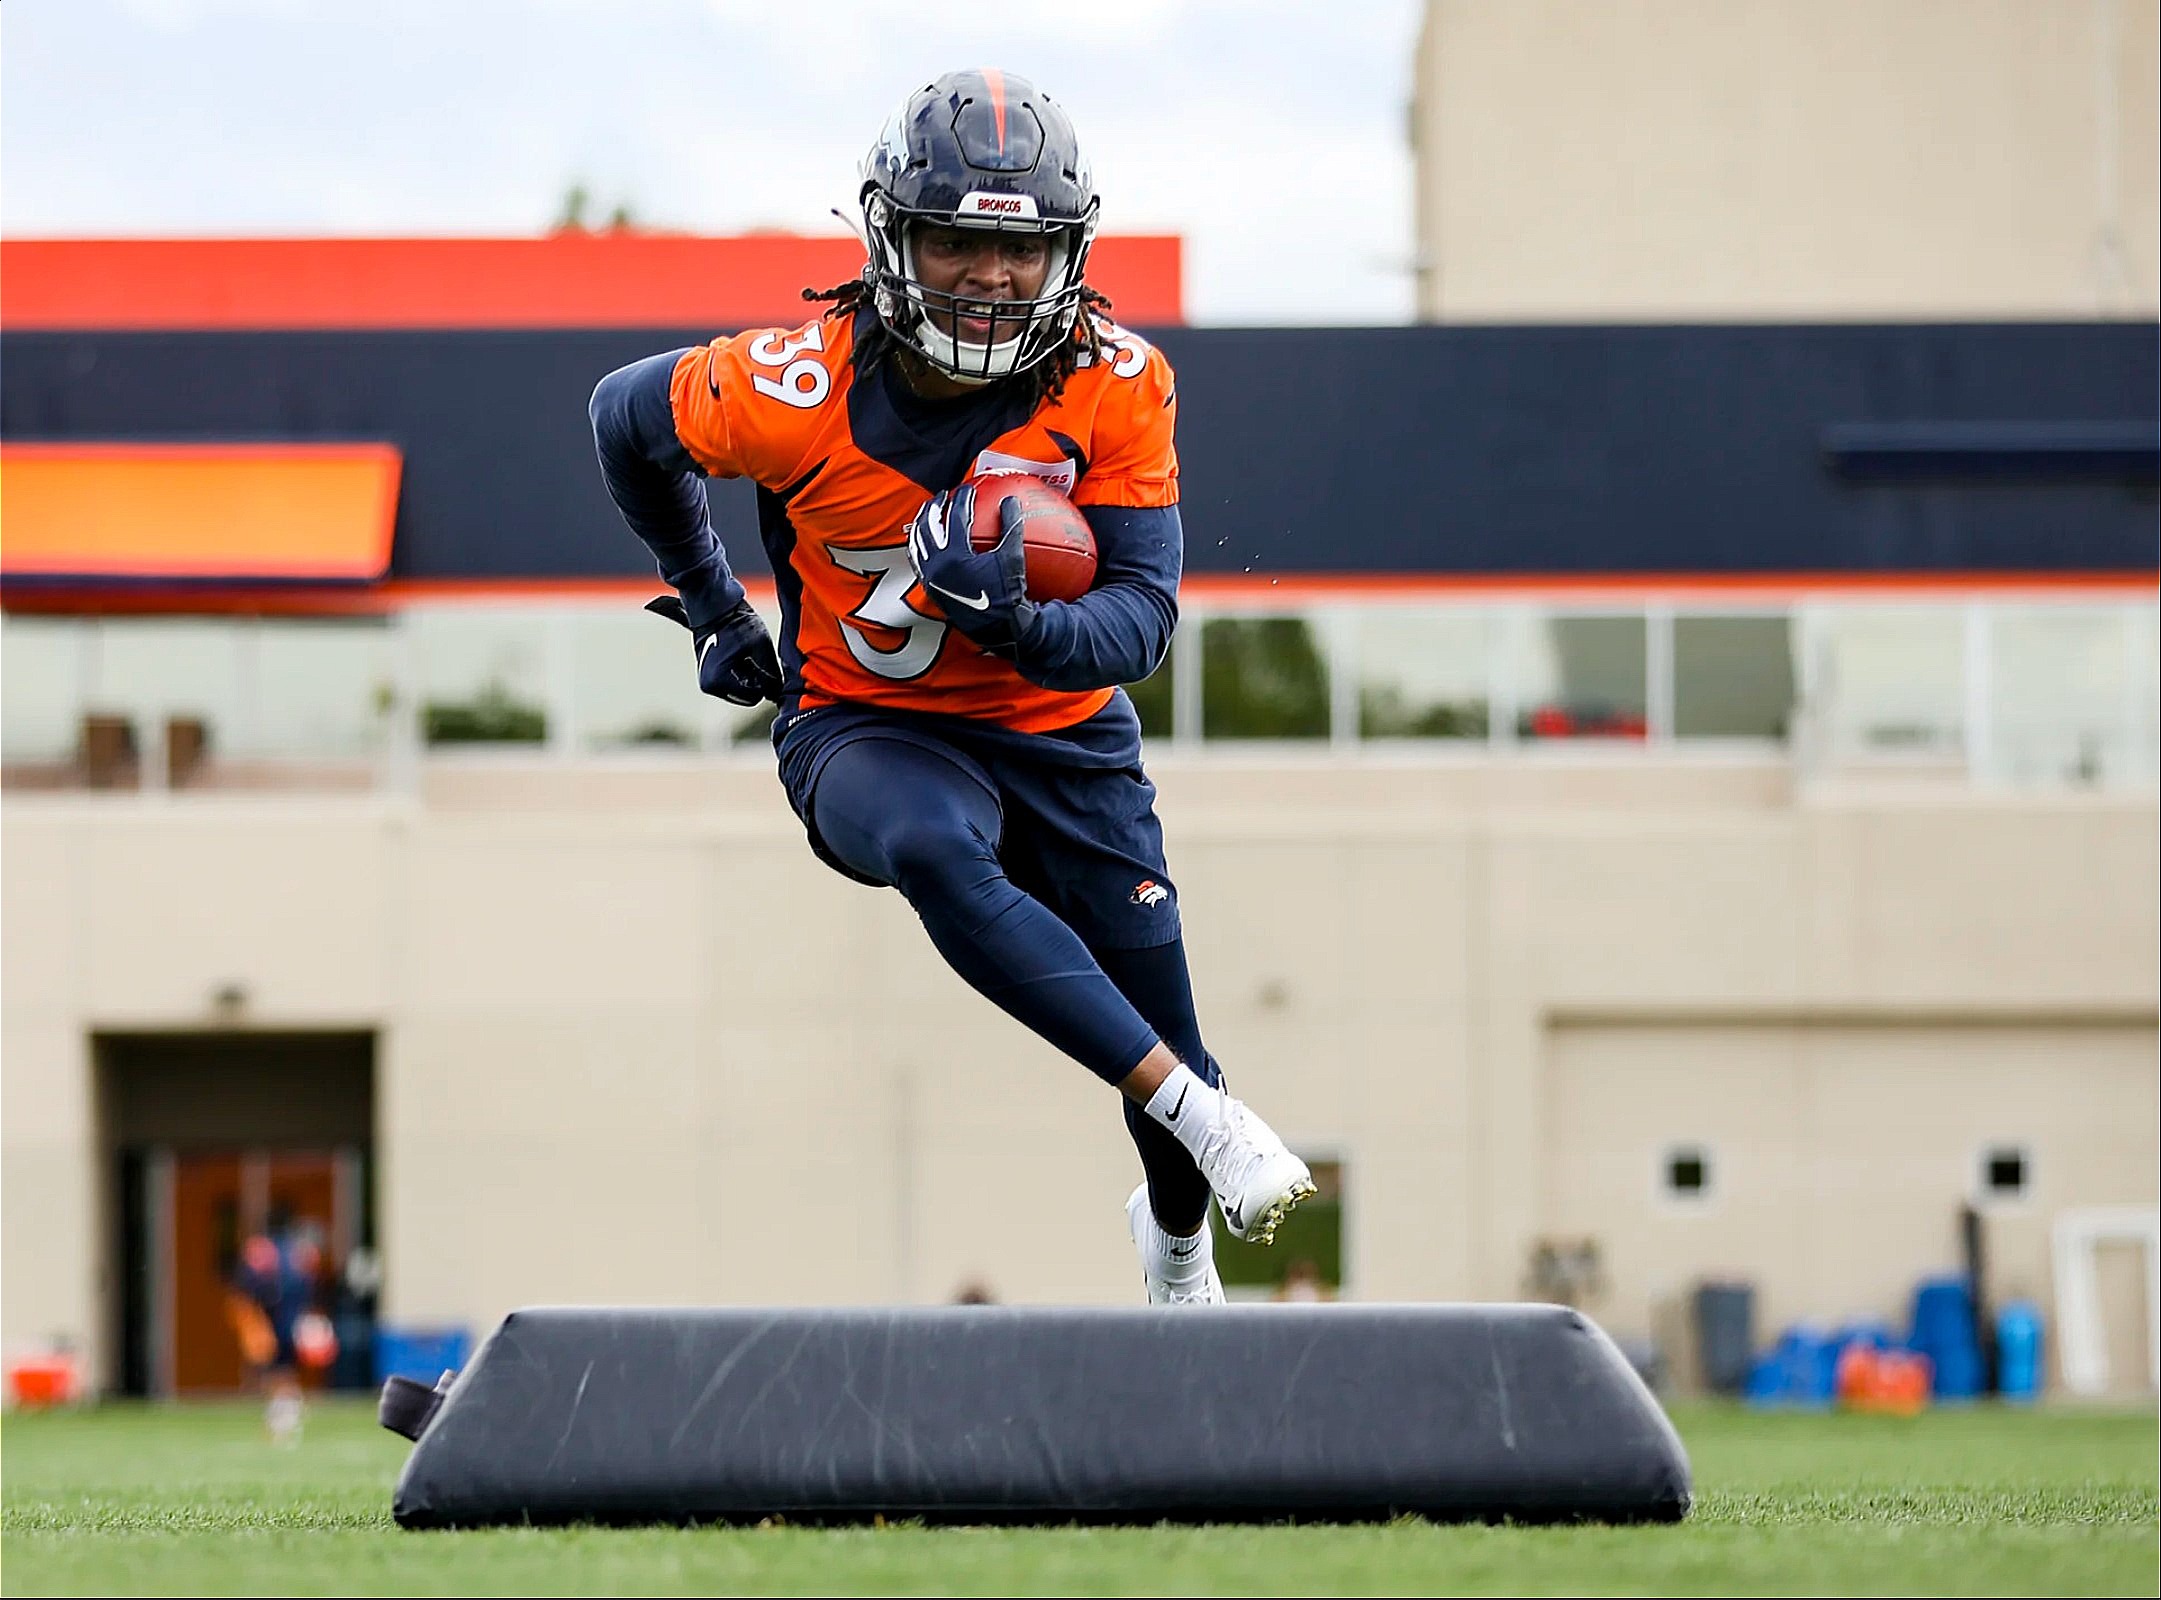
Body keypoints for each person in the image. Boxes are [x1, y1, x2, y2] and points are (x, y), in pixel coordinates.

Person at [590, 68, 1313, 1307]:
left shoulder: (1117, 382)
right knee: (932, 844)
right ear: (892, 237)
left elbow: (1139, 621)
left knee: (1166, 1046)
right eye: (957, 240)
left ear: (1065, 257)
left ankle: (1177, 1236)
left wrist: (1020, 622)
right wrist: (714, 606)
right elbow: (622, 419)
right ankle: (1206, 1115)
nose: (989, 274)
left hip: (1062, 737)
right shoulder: (789, 388)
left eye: (1019, 249)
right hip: (870, 727)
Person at [226, 1215, 334, 1443]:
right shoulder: (274, 1256)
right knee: (273, 1367)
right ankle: (281, 1410)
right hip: (266, 1322)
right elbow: (247, 1289)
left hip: (285, 1325)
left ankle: (283, 1410)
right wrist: (252, 1323)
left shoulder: (304, 1270)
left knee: (281, 1368)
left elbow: (305, 1300)